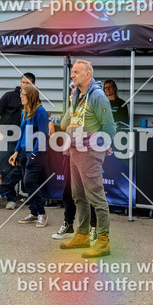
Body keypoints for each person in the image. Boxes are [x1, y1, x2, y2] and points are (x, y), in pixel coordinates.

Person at [59, 59, 116, 258]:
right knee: (78, 196)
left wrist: (99, 146)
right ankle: (82, 235)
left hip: (90, 153)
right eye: (72, 71)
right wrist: (71, 103)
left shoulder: (97, 96)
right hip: (75, 151)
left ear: (88, 74)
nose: (72, 75)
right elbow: (64, 124)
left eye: (76, 72)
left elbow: (110, 127)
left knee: (96, 198)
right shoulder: (78, 96)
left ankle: (103, 241)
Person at [52, 82, 97, 241]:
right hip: (69, 155)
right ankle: (68, 224)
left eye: (75, 92)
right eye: (71, 93)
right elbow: (64, 125)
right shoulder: (72, 109)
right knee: (68, 191)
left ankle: (93, 228)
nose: (72, 95)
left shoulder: (90, 108)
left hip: (86, 156)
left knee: (90, 193)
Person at [7, 84, 50, 227]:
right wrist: (16, 152)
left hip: (36, 154)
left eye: (23, 94)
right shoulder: (24, 112)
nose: (20, 96)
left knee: (30, 182)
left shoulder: (40, 112)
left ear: (31, 96)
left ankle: (42, 213)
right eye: (21, 94)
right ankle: (33, 212)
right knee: (27, 184)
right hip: (24, 153)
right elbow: (22, 134)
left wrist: (34, 154)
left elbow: (43, 135)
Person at [0, 72, 36, 210]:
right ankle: (10, 199)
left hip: (22, 138)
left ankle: (2, 191)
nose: (25, 85)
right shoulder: (9, 96)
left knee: (21, 166)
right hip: (6, 136)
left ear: (33, 85)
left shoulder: (33, 100)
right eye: (23, 82)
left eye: (28, 83)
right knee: (6, 168)